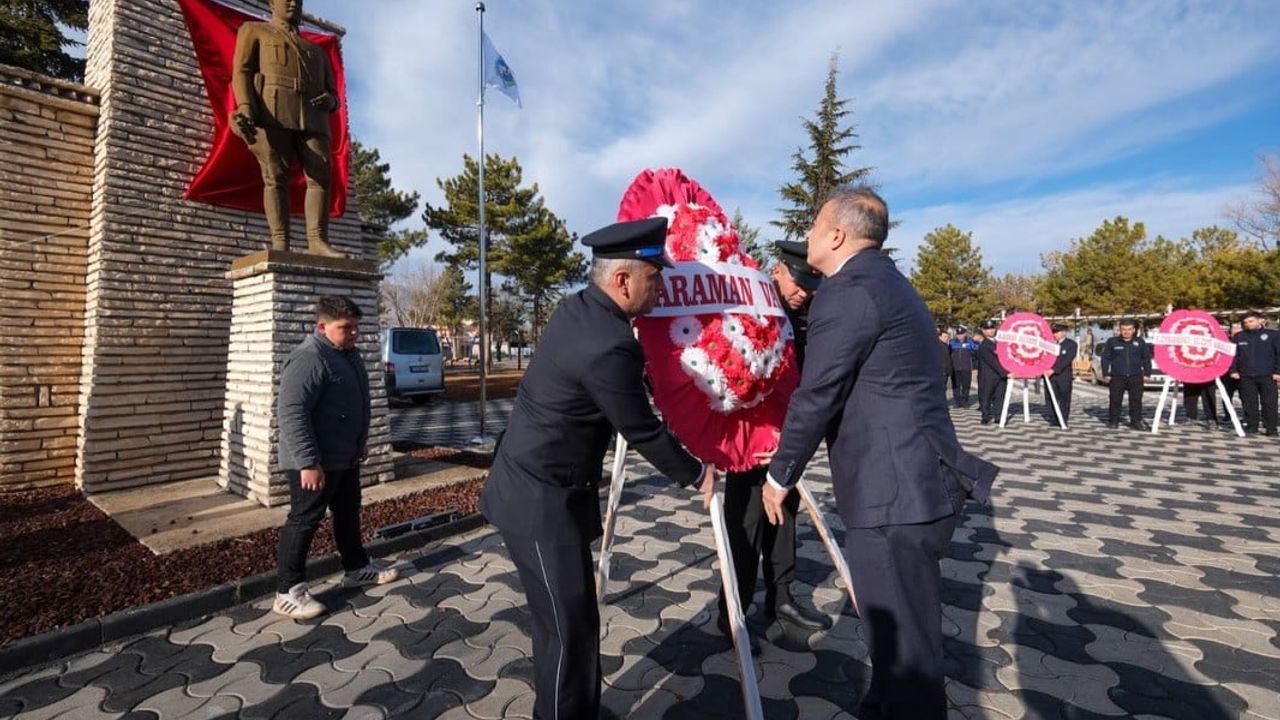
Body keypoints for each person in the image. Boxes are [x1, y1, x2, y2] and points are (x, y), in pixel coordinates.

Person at [759, 186, 998, 720]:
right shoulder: (887, 282)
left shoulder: (849, 291)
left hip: (893, 494)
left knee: (908, 655)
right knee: (893, 643)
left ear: (836, 235)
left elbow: (819, 393)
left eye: (813, 227)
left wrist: (779, 475)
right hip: (910, 484)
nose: (807, 236)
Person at [480, 217, 717, 720]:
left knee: (574, 619)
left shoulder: (580, 310)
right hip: (539, 503)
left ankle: (580, 709)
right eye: (654, 278)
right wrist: (696, 473)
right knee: (566, 629)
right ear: (623, 280)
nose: (660, 289)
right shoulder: (608, 342)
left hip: (545, 488)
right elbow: (641, 429)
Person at [713, 241, 830, 655]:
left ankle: (781, 600)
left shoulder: (803, 319)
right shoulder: (748, 310)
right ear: (777, 270)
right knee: (745, 529)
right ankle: (732, 614)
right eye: (799, 283)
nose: (804, 293)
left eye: (811, 286)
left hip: (786, 443)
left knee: (783, 522)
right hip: (749, 443)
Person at [274, 295, 398, 620]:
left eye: (356, 327)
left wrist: (360, 441)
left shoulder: (347, 354)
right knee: (304, 521)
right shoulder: (308, 358)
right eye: (346, 328)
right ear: (322, 327)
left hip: (344, 456)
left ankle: (356, 568)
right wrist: (308, 462)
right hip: (314, 462)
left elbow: (355, 403)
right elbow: (291, 413)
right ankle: (287, 592)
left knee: (347, 512)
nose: (354, 333)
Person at [231, 0, 343, 257]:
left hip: (314, 117)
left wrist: (331, 101)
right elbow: (242, 71)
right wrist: (246, 106)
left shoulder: (317, 51)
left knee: (320, 176)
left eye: (298, 0)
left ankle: (317, 241)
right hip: (274, 110)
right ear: (272, 3)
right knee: (275, 176)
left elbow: (333, 93)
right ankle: (280, 241)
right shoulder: (254, 31)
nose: (293, 3)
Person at [1229, 310, 1280, 436]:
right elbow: (1233, 355)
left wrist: (1277, 371)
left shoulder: (1273, 335)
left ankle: (1271, 428)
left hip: (1267, 375)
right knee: (1249, 403)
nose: (1248, 324)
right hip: (1246, 376)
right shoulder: (1239, 337)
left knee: (1269, 403)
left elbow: (1278, 354)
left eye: (1251, 321)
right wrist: (1233, 370)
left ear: (1259, 320)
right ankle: (1252, 426)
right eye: (1245, 322)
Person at [1100, 319, 1152, 430]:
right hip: (1117, 376)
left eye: (1129, 329)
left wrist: (1147, 373)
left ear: (1134, 330)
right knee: (1115, 400)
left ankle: (1136, 421)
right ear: (1120, 330)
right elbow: (1105, 358)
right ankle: (1114, 421)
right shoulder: (1112, 342)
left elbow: (1146, 359)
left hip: (1136, 376)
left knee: (1136, 400)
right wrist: (1106, 373)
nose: (1126, 332)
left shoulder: (1140, 342)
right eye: (1124, 329)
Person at [1043, 323, 1075, 427]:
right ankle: (1053, 418)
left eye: (1056, 332)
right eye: (1053, 332)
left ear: (1064, 332)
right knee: (1050, 397)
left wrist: (1054, 370)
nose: (1054, 335)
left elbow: (1067, 360)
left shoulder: (1071, 344)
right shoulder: (1049, 344)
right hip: (1049, 376)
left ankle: (1063, 419)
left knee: (1064, 397)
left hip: (1063, 375)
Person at [975, 320, 1008, 425]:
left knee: (1000, 397)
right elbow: (993, 362)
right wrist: (1006, 373)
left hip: (1000, 376)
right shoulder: (984, 345)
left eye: (992, 328)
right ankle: (986, 416)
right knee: (986, 396)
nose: (991, 331)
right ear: (983, 331)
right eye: (988, 329)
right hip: (988, 376)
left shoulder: (1000, 343)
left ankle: (999, 416)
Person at [948, 326, 978, 408]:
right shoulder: (952, 343)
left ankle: (965, 402)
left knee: (966, 386)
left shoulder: (970, 342)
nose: (960, 336)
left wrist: (975, 367)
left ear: (965, 334)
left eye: (961, 334)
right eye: (958, 334)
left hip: (966, 368)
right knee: (956, 386)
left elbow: (976, 354)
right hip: (955, 368)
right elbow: (948, 355)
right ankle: (957, 403)